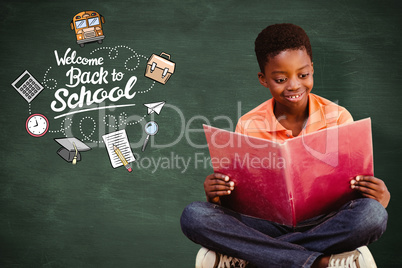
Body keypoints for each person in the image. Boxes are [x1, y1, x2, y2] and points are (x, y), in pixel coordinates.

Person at [180, 23, 390, 268]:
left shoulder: (339, 117)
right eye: (280, 79)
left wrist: (380, 197)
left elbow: (356, 189)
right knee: (194, 216)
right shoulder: (248, 124)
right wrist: (216, 196)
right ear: (263, 79)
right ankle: (318, 263)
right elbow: (241, 198)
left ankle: (255, 257)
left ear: (312, 69)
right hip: (266, 224)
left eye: (303, 75)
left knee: (372, 215)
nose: (293, 85)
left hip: (325, 221)